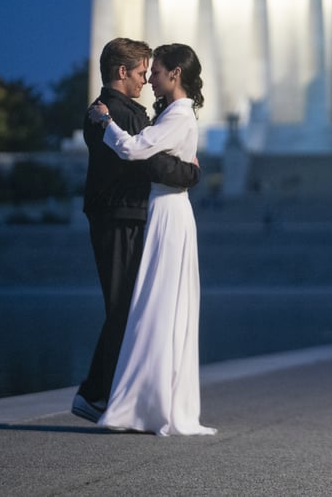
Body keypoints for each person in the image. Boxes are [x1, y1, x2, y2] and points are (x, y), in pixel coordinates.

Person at [87, 43, 216, 436]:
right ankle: (145, 398)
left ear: (175, 73)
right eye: (145, 72)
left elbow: (134, 150)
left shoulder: (177, 115)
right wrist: (189, 172)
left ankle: (147, 402)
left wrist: (106, 121)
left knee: (157, 307)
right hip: (161, 211)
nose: (150, 78)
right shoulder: (173, 113)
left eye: (156, 71)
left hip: (166, 213)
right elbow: (158, 160)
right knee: (154, 308)